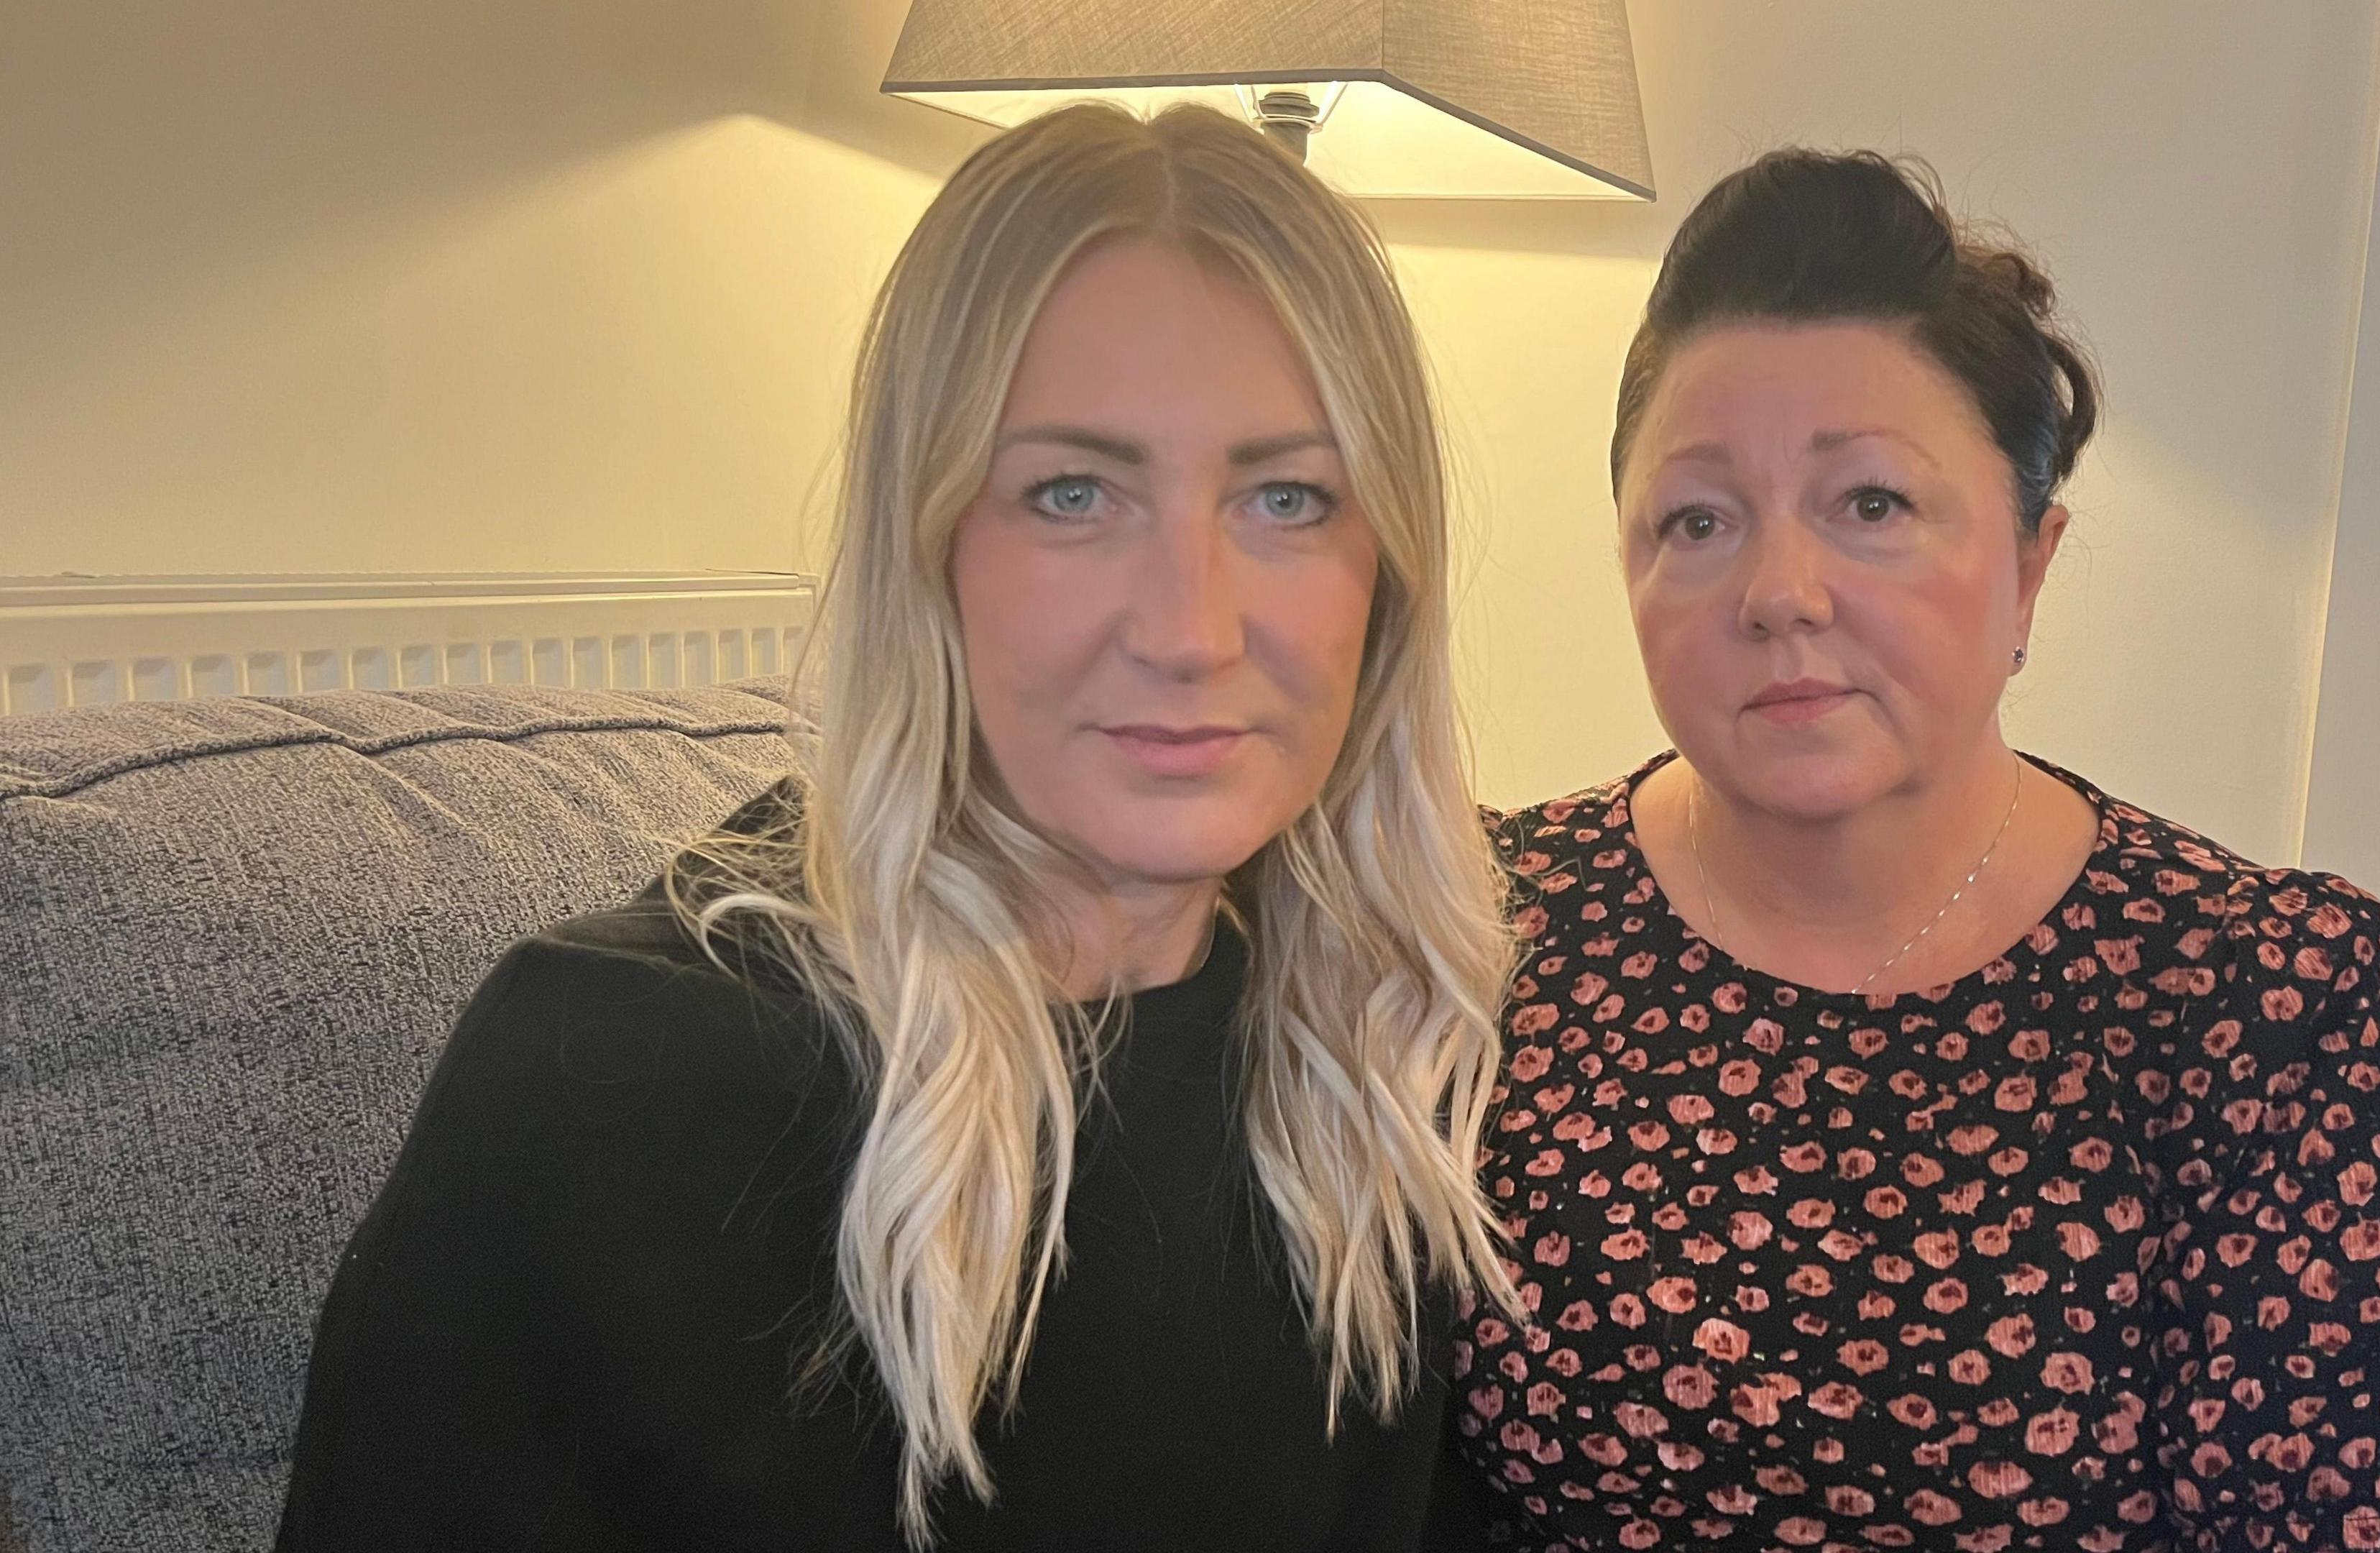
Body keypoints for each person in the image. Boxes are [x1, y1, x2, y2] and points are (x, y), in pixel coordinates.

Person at [275, 101, 1517, 1552]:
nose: (1193, 626)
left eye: (1289, 498)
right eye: (1072, 493)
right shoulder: (616, 1068)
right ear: (925, 547)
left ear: (1388, 579)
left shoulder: (1371, 1059)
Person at [1444, 150, 2380, 1552]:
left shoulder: (2269, 1007)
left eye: (1870, 504)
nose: (1779, 593)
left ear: (2031, 563)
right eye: (1697, 520)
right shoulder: (1466, 929)